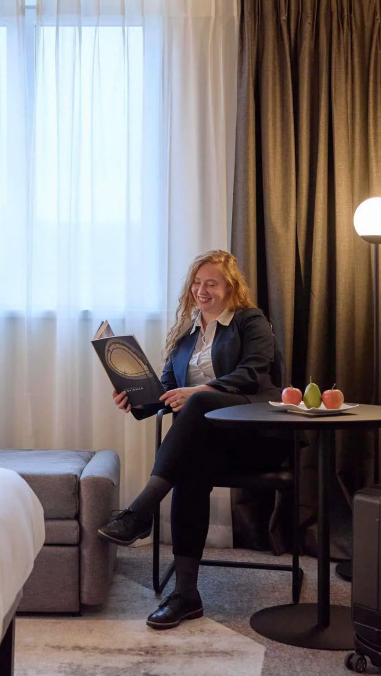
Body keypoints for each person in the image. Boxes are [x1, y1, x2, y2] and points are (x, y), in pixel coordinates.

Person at [97, 249, 290, 630]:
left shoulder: (250, 321)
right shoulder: (185, 338)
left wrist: (199, 392)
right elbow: (164, 394)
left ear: (230, 288)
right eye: (197, 283)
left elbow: (253, 374)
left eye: (211, 284)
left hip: (254, 435)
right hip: (208, 444)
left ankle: (140, 511)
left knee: (199, 402)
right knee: (189, 468)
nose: (202, 290)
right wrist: (133, 399)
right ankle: (187, 595)